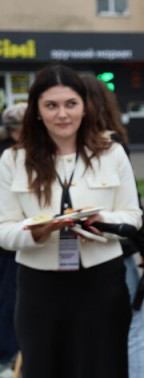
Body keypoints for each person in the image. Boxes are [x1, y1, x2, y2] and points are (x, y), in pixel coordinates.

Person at [0, 64, 142, 378]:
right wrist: (36, 232)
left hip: (101, 283)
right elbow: (3, 229)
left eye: (71, 104)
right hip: (40, 286)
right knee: (44, 368)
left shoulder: (111, 153)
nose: (62, 114)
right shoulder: (13, 160)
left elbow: (133, 218)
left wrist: (100, 221)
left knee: (103, 367)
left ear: (84, 107)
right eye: (51, 105)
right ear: (37, 111)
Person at [82, 74, 144, 378]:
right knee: (131, 330)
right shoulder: (110, 144)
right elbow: (133, 204)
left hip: (76, 253)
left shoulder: (61, 148)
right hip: (116, 250)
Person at [0, 103, 26, 377]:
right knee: (10, 299)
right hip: (11, 241)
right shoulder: (11, 156)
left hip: (10, 238)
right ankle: (9, 356)